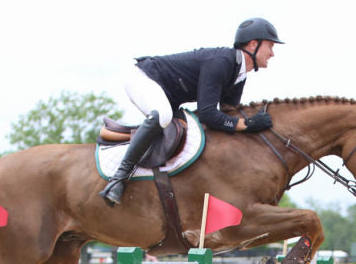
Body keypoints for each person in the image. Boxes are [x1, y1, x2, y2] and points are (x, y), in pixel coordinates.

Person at [99, 18, 283, 207]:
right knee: (163, 116)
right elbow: (208, 114)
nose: (272, 53)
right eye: (270, 46)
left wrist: (252, 127)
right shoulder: (222, 62)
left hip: (168, 95)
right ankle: (117, 179)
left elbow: (228, 114)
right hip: (143, 77)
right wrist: (247, 124)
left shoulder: (239, 74)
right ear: (253, 44)